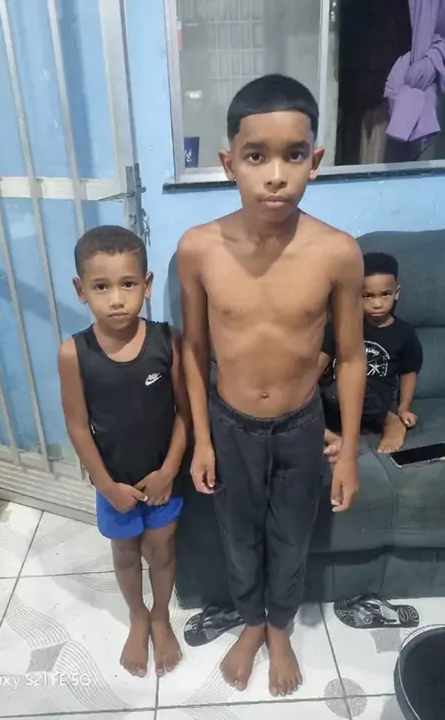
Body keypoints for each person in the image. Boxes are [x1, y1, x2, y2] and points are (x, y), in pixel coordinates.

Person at [177, 74, 366, 698]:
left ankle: (279, 627)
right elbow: (194, 350)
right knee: (238, 535)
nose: (276, 176)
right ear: (229, 163)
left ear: (316, 160)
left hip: (301, 425)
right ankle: (252, 622)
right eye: (257, 156)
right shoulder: (198, 249)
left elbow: (350, 356)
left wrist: (350, 453)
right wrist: (203, 440)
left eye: (294, 156)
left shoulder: (337, 252)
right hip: (230, 424)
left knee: (292, 535)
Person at [58, 226, 189, 679]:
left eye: (128, 284)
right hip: (113, 483)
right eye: (101, 287)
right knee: (126, 553)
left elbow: (185, 413)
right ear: (81, 290)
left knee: (162, 549)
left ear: (146, 285)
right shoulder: (73, 353)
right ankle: (138, 617)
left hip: (163, 478)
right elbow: (77, 426)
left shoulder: (167, 341)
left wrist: (169, 471)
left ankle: (160, 616)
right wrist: (106, 485)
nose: (116, 299)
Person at [320, 252, 423, 454]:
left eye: (385, 294)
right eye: (368, 296)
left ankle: (389, 421)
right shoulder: (341, 326)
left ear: (397, 293)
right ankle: (328, 435)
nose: (377, 304)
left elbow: (409, 372)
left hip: (373, 401)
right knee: (310, 393)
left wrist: (403, 408)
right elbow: (321, 360)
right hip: (334, 399)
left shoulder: (404, 333)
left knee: (354, 380)